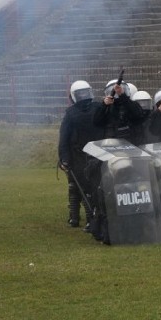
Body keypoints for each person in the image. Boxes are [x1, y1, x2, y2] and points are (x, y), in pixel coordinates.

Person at [58, 80, 104, 228]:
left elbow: (63, 138)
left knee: (83, 187)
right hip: (88, 154)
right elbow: (64, 138)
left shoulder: (71, 113)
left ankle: (87, 219)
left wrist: (64, 158)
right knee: (83, 186)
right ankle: (80, 218)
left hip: (86, 154)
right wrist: (64, 158)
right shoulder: (97, 107)